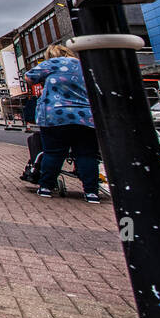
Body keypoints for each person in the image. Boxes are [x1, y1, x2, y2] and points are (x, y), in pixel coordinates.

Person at [25, 44, 101, 202]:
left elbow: (29, 77)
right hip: (85, 117)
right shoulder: (84, 65)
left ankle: (45, 187)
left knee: (53, 152)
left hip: (56, 115)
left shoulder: (53, 62)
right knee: (87, 154)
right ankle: (91, 193)